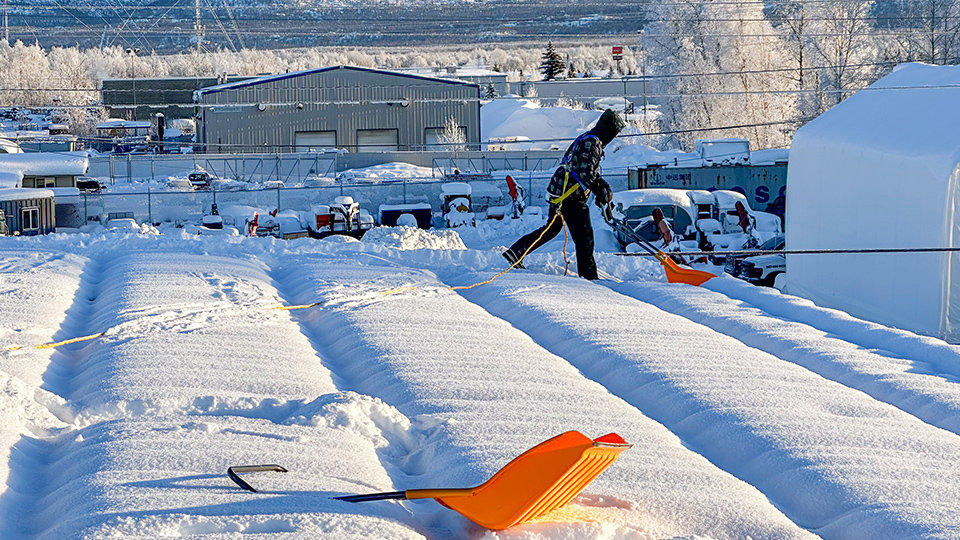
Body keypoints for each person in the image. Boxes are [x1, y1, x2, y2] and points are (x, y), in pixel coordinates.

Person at [502, 109, 625, 280]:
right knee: (585, 238)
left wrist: (601, 189)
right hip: (570, 196)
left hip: (560, 192)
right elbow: (585, 174)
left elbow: (586, 171)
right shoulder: (592, 142)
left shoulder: (587, 138)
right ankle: (589, 277)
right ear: (608, 130)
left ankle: (516, 252)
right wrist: (600, 189)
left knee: (551, 229)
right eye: (615, 132)